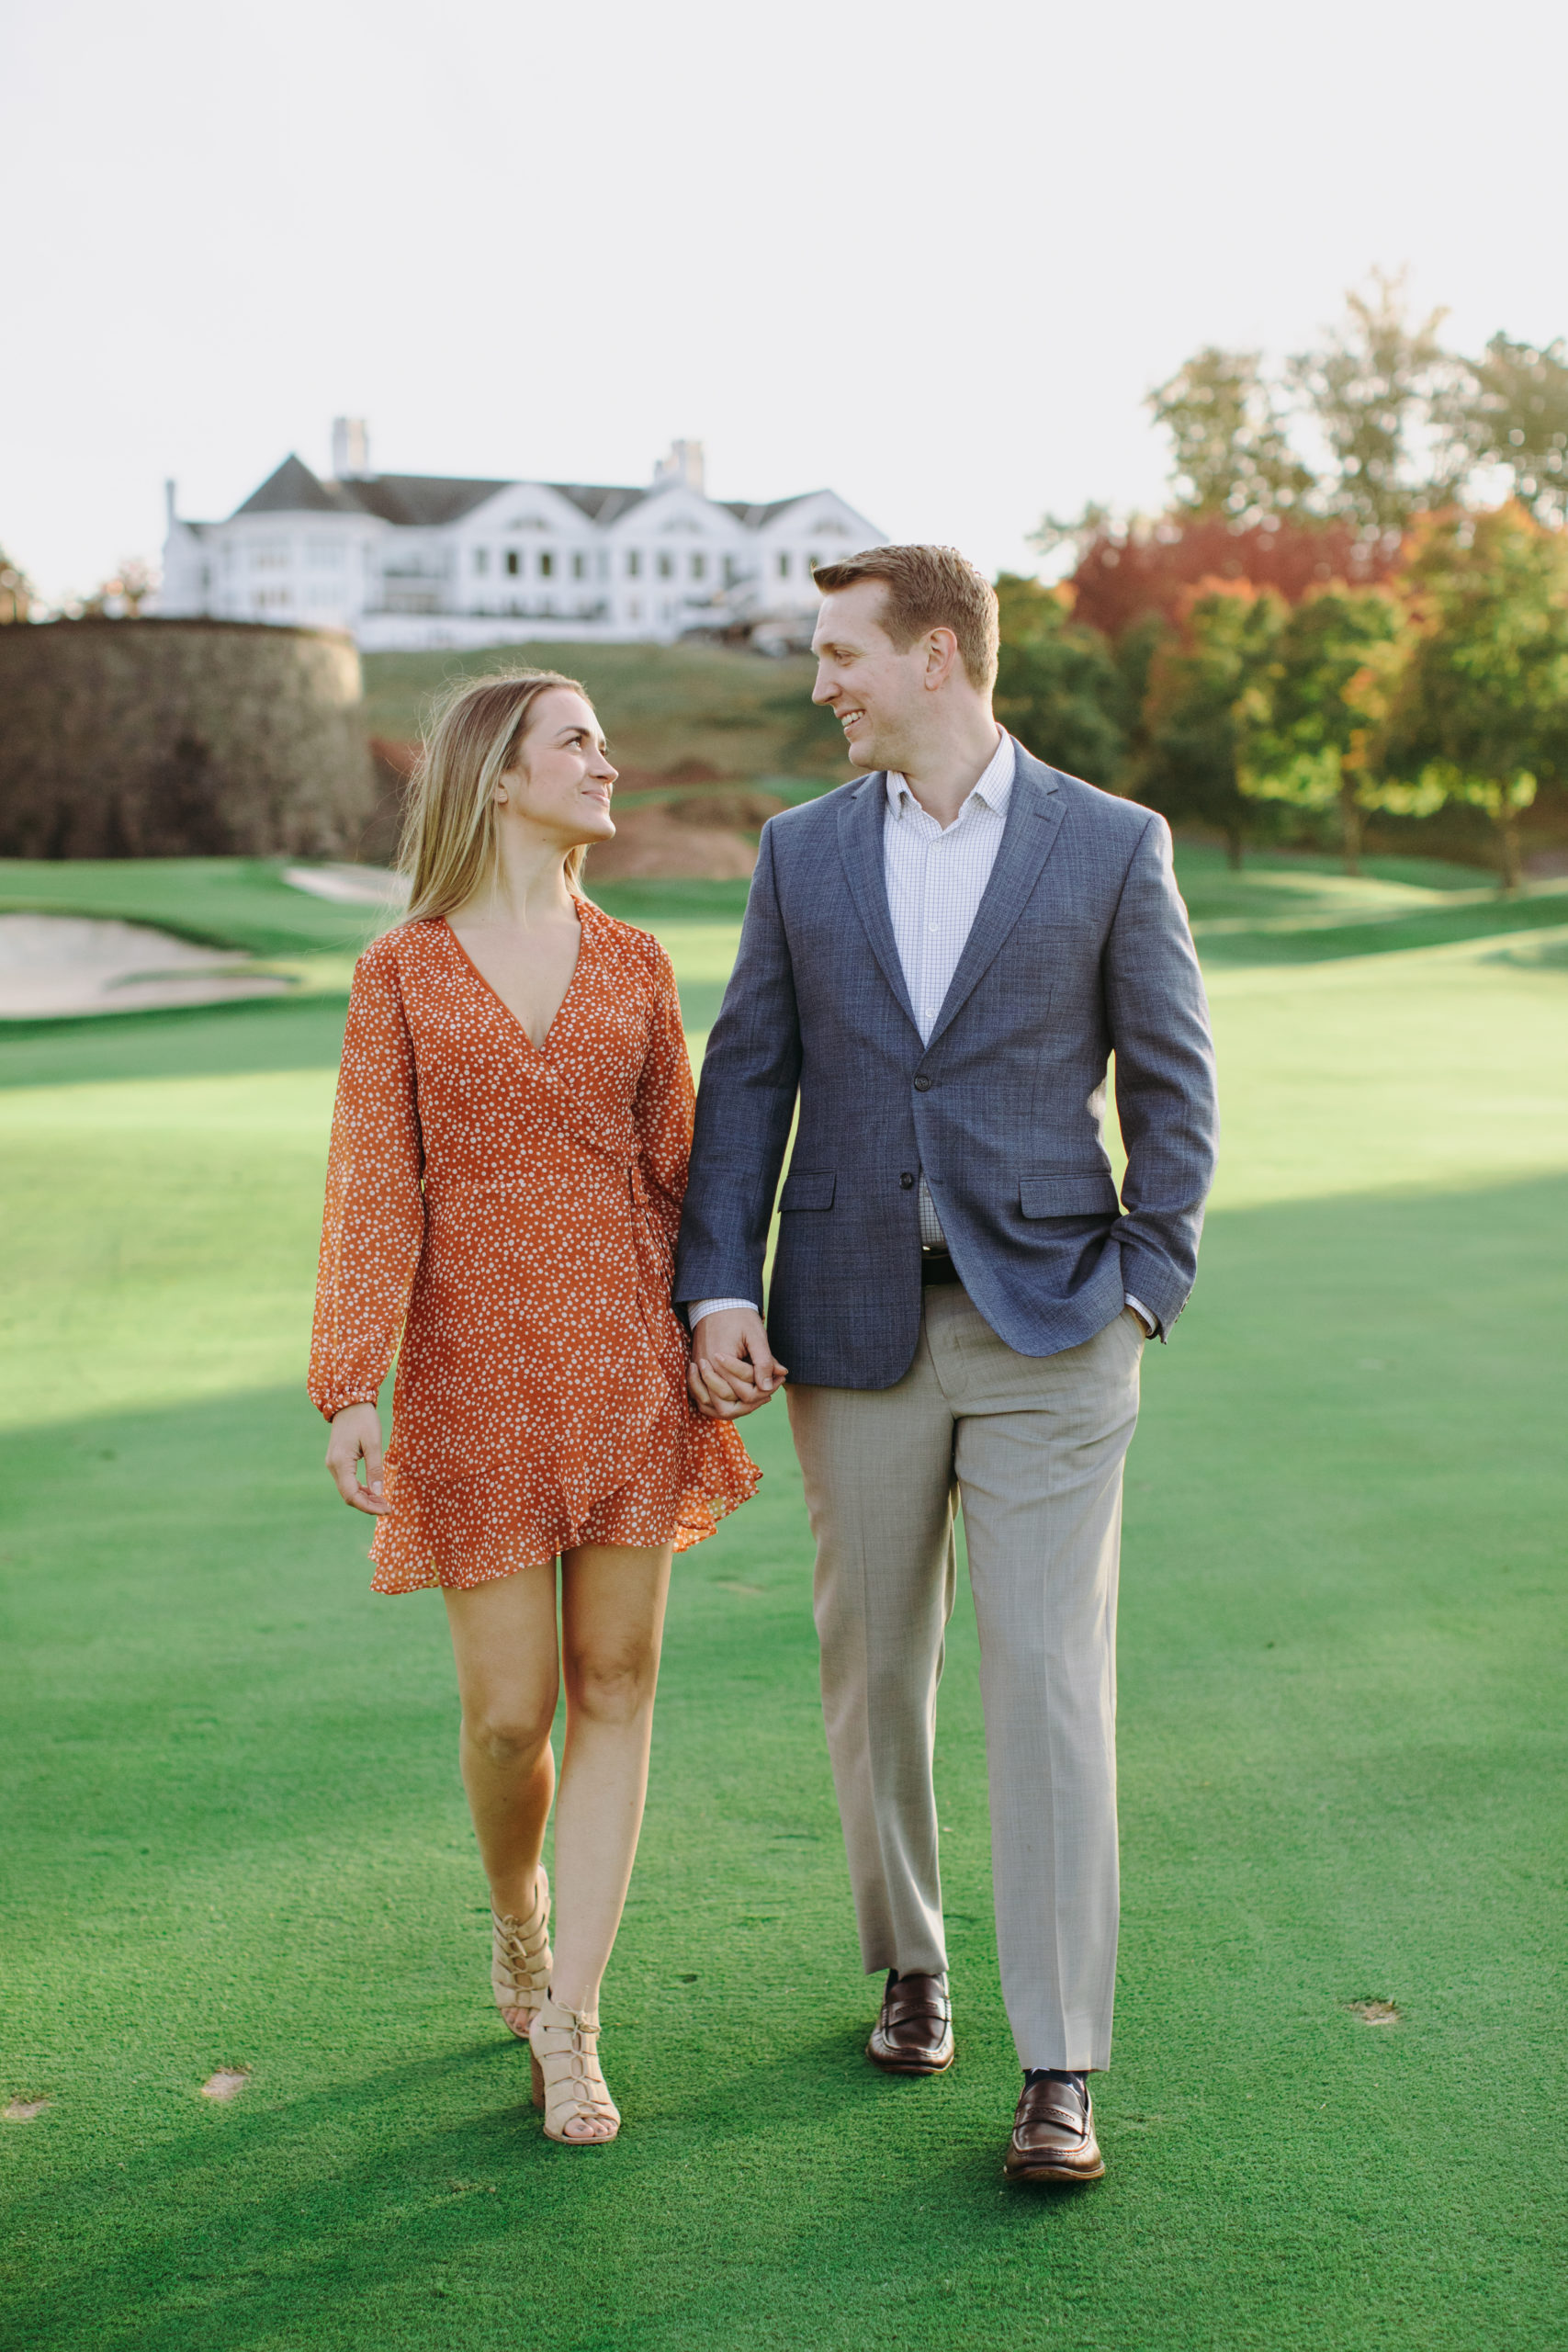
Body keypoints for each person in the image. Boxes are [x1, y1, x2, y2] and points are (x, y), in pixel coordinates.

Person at [676, 547, 1217, 2184]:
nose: (823, 680)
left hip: (1058, 1325)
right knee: (875, 1668)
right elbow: (746, 1080)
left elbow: (1176, 1089)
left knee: (1049, 1684)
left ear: (934, 654)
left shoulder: (1114, 845)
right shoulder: (800, 854)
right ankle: (912, 1960)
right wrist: (716, 1289)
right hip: (850, 1329)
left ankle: (1060, 2063)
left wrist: (1148, 1282)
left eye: (842, 653)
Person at [309, 669, 759, 2146]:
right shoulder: (403, 971)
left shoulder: (637, 965)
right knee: (512, 1717)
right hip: (473, 1371)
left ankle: (573, 2016)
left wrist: (718, 1320)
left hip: (626, 1359)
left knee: (616, 1678)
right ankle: (519, 1911)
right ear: (499, 775)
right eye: (578, 740)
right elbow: (377, 1181)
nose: (606, 759)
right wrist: (349, 1381)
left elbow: (686, 1174)